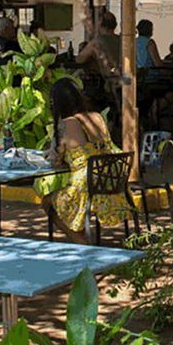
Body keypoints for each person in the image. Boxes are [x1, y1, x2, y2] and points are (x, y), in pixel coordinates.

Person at [42, 78, 132, 243]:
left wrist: (53, 153)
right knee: (72, 202)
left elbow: (56, 160)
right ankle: (83, 240)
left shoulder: (66, 124)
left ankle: (82, 243)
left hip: (88, 184)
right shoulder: (97, 117)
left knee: (48, 202)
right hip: (112, 178)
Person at [75, 11, 122, 76]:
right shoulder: (121, 40)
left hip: (106, 78)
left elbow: (79, 60)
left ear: (100, 25)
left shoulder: (97, 41)